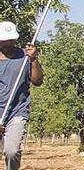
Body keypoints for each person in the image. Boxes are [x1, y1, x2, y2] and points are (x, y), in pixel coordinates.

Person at [0, 21, 43, 170]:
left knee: (11, 151)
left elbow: (37, 81)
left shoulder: (25, 57)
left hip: (17, 112)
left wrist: (33, 60)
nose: (8, 43)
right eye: (5, 40)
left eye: (11, 39)